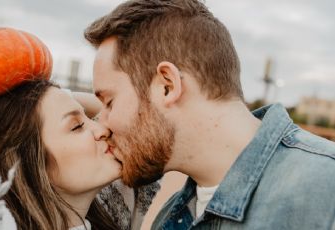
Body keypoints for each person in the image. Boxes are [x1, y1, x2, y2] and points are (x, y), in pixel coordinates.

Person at [83, 0, 335, 229]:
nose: (101, 126)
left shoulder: (325, 190)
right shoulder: (171, 216)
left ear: (167, 86)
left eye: (109, 102)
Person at [0, 33, 159, 230]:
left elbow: (148, 117)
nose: (102, 127)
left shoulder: (114, 209)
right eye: (77, 126)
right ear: (27, 162)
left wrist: (55, 97)